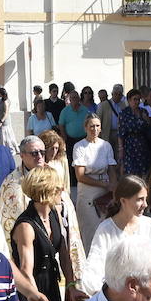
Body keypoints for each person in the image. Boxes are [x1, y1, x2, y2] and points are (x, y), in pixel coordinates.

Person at [11, 167, 79, 301]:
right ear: (46, 190)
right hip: (31, 291)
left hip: (51, 287)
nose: (62, 190)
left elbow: (65, 253)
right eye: (58, 187)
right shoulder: (26, 226)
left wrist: (71, 285)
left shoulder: (54, 213)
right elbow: (25, 271)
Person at [0, 136, 88, 287]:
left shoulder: (53, 174)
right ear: (22, 155)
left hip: (57, 246)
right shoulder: (12, 184)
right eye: (34, 153)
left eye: (42, 152)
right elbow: (9, 226)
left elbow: (66, 209)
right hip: (31, 254)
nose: (39, 157)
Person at [82, 175, 151, 294]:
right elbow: (94, 267)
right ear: (123, 201)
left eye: (146, 199)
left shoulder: (148, 225)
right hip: (116, 297)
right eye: (140, 199)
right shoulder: (106, 229)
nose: (145, 204)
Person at [73, 113, 118, 241]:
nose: (95, 129)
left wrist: (114, 188)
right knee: (89, 230)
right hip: (88, 191)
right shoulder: (79, 146)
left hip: (105, 191)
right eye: (92, 126)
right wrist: (105, 184)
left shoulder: (106, 145)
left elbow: (111, 169)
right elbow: (80, 176)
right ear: (86, 127)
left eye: (97, 126)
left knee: (106, 229)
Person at [57, 86, 91, 165]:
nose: (74, 99)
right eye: (72, 98)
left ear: (79, 99)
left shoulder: (85, 110)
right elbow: (61, 125)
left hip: (83, 139)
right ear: (70, 99)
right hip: (70, 140)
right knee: (71, 160)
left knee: (84, 159)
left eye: (76, 97)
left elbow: (89, 123)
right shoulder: (65, 111)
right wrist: (64, 137)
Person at [41, 129, 72, 196]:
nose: (54, 151)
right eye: (51, 148)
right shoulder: (38, 164)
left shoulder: (60, 162)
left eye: (56, 148)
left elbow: (66, 183)